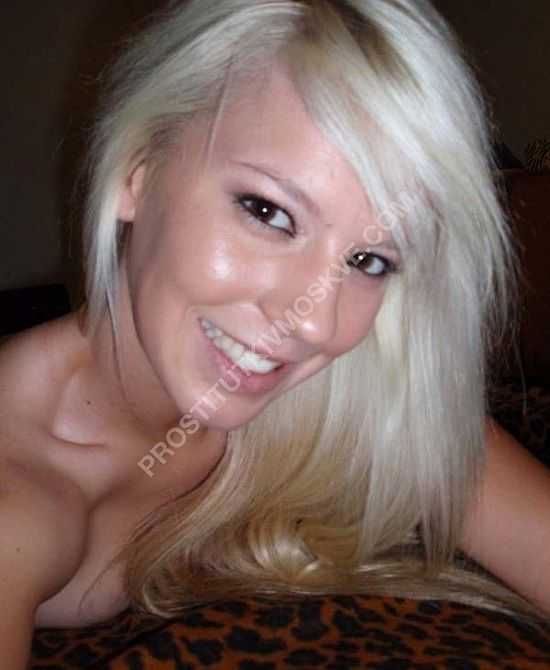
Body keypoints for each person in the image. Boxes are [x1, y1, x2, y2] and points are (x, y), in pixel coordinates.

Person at [1, 0, 549, 666]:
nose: (315, 321)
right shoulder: (18, 494)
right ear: (136, 171)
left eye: (369, 260)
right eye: (268, 212)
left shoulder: (361, 395)